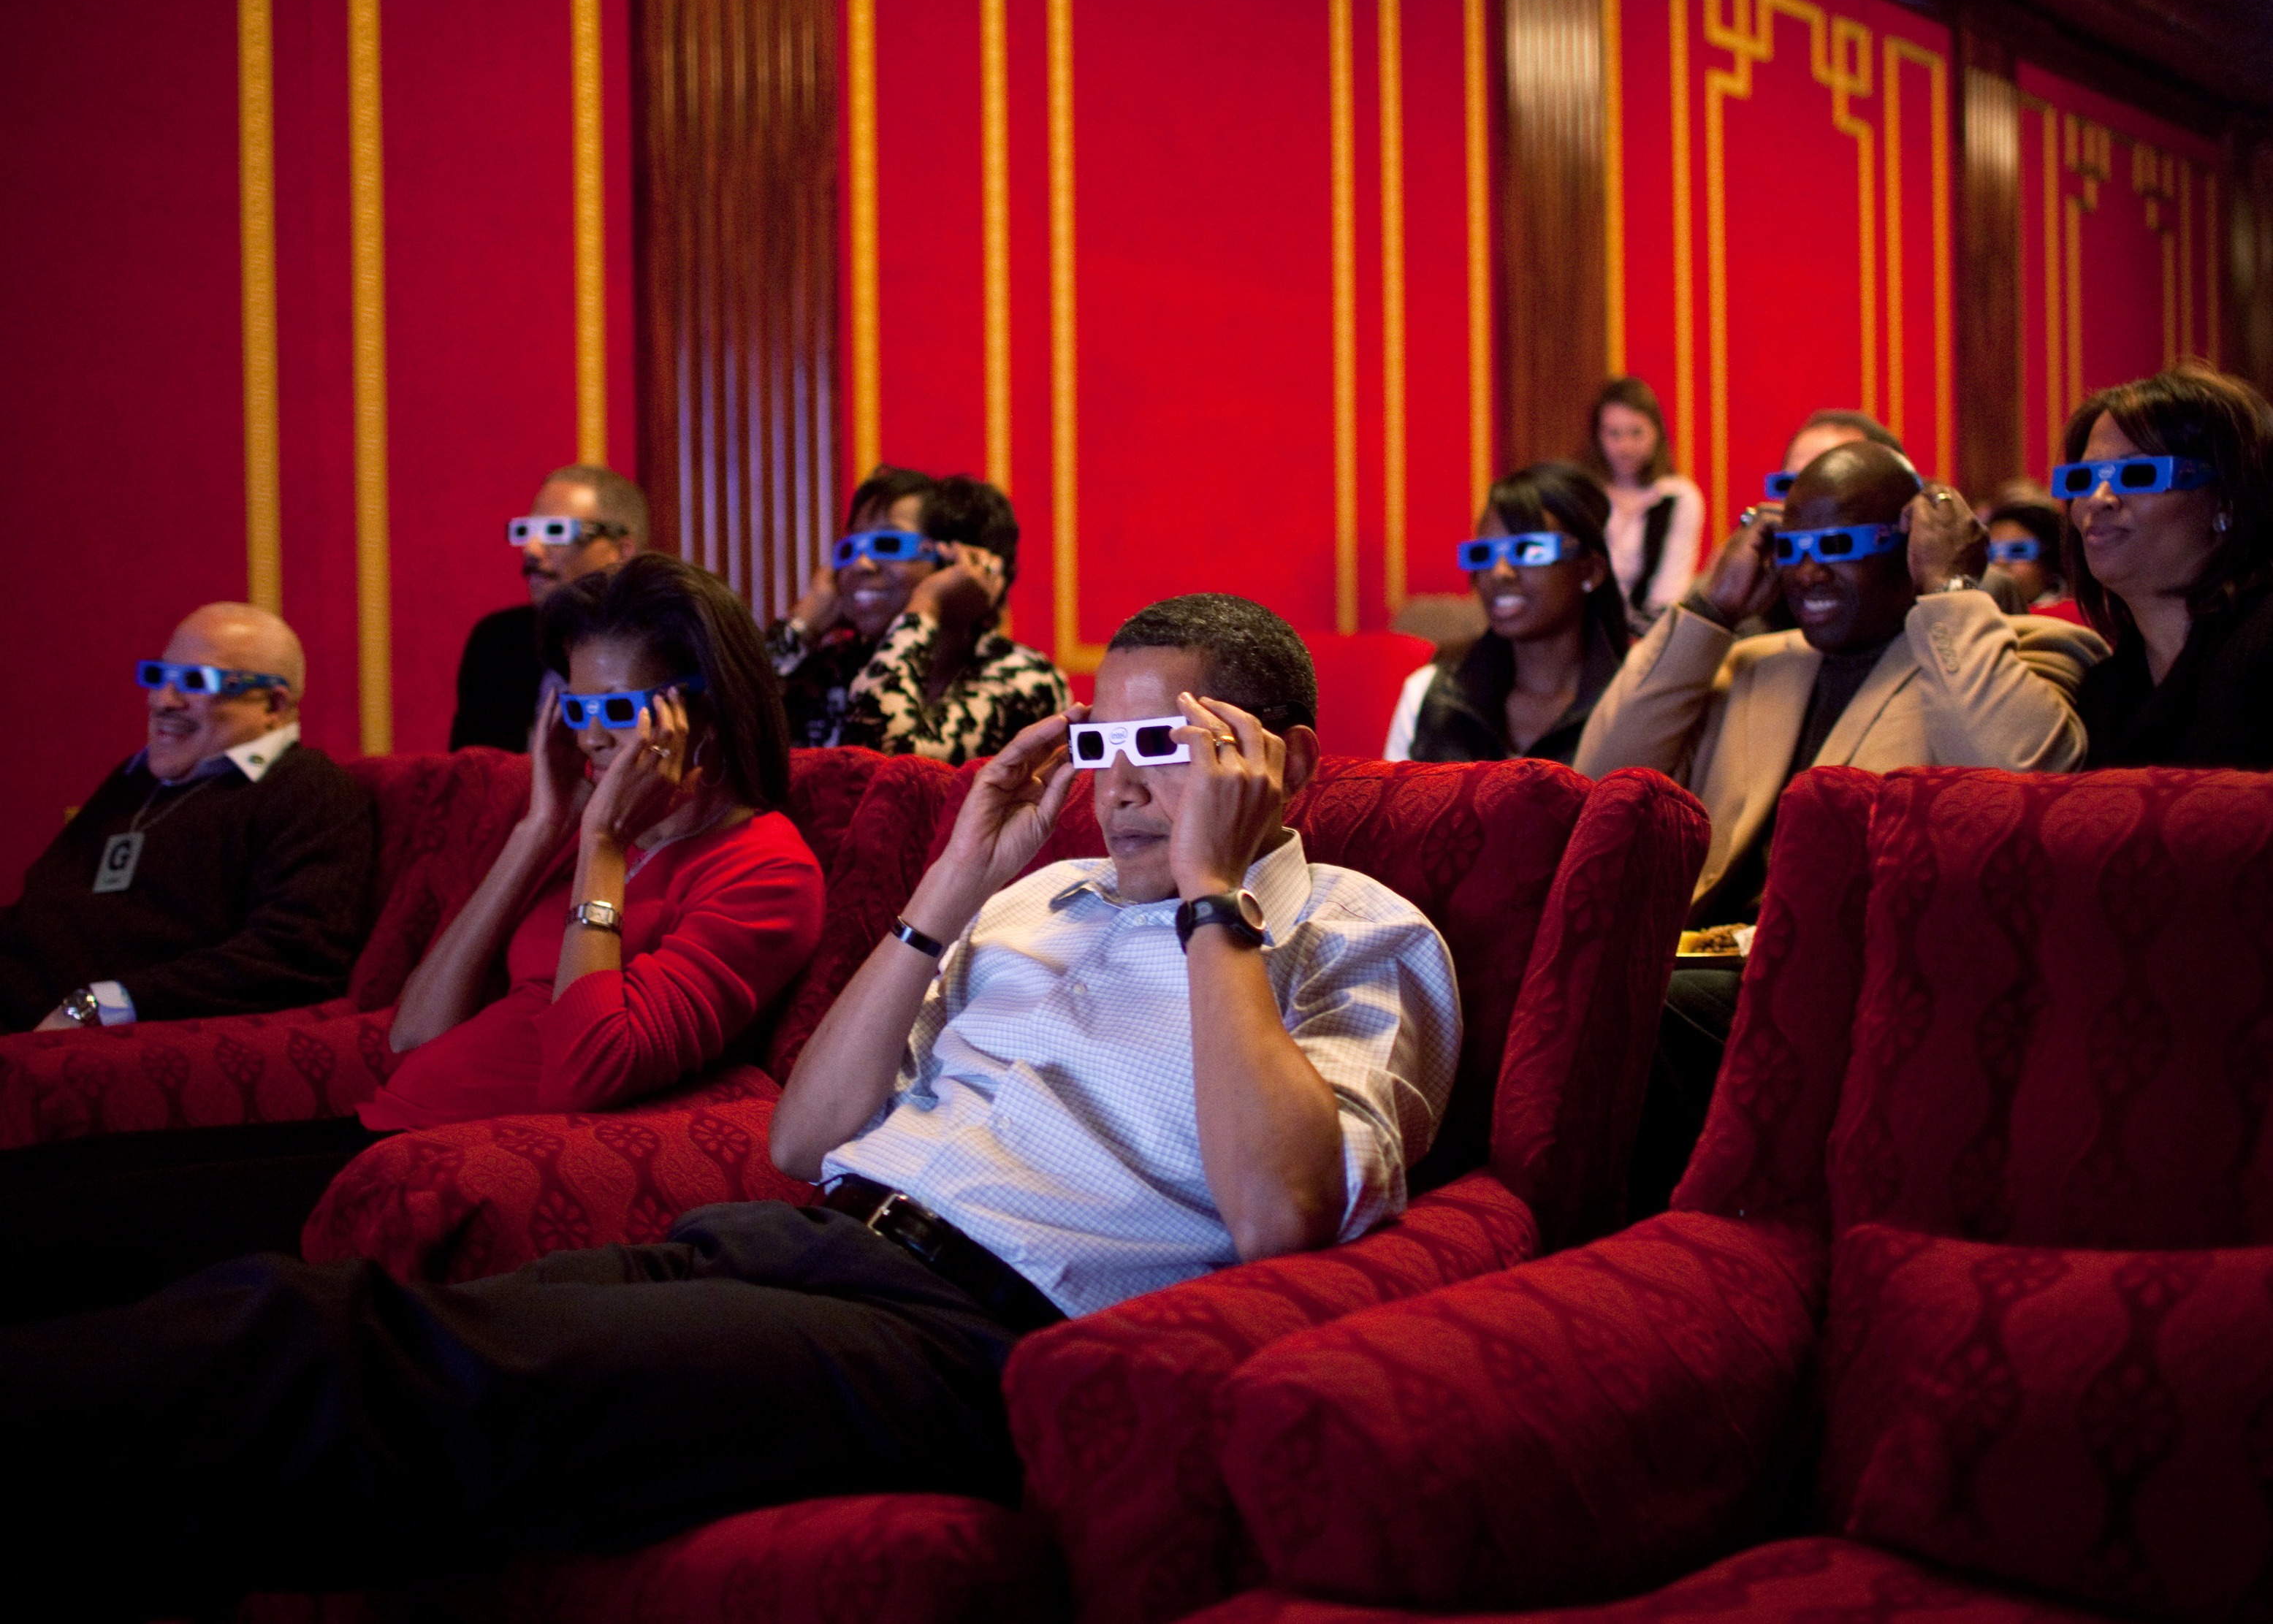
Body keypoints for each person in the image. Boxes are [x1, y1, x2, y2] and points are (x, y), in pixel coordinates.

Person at [0, 595, 1461, 1618]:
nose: (1132, 794)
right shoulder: (1033, 894)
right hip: (798, 1238)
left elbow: (1278, 1207)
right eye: (1106, 749)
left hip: (972, 1331)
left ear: (1283, 762)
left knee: (353, 1352)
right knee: (339, 1308)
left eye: (1175, 750)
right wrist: (953, 883)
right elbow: (804, 1140)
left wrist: (1214, 888)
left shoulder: (1355, 929)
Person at [0, 554, 825, 1322]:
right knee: (39, 1194)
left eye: (615, 708)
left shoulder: (764, 870)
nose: (591, 736)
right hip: (384, 1120)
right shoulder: (594, 833)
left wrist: (601, 850)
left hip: (435, 1161)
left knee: (69, 1244)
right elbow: (417, 1028)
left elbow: (589, 1068)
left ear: (704, 708)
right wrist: (541, 829)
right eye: (574, 708)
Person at [1575, 440, 2106, 1214]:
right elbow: (1604, 778)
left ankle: (1643, 1240)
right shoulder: (1754, 661)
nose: (1810, 570)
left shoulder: (2022, 650)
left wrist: (1953, 588)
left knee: (1638, 1006)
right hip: (1708, 956)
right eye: (1793, 547)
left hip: (1862, 980)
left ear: (1912, 542)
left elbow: (2027, 791)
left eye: (1843, 546)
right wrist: (1709, 609)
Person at [0, 603, 373, 1034]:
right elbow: (40, 910)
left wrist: (102, 1004)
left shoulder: (310, 792)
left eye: (196, 682)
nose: (162, 701)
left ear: (273, 704)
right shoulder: (134, 780)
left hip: (86, 1030)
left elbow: (297, 956)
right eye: (159, 677)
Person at [769, 465, 1069, 761]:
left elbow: (884, 759)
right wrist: (802, 626)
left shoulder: (1025, 678)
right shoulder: (827, 672)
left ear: (960, 564)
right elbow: (729, 731)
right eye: (850, 548)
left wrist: (927, 606)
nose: (860, 564)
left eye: (887, 544)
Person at [2062, 365, 2273, 770]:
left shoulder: (2264, 641)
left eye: (2139, 474)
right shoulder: (2102, 693)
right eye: (2081, 479)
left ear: (2227, 499)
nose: (2098, 498)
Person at [1384, 462, 1629, 764]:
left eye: (1528, 550)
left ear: (1591, 571)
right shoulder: (1430, 695)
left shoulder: (1633, 701)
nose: (1500, 572)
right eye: (1483, 554)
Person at [451, 464, 647, 752]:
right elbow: (471, 776)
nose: (531, 549)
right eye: (526, 532)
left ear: (622, 551)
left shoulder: (665, 642)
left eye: (555, 532)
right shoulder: (496, 643)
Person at [1579, 377, 1705, 630]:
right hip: (1586, 629)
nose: (1625, 446)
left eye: (1636, 433)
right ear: (1598, 437)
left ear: (1656, 433)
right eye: (1613, 434)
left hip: (1650, 633)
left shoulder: (1678, 498)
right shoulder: (1583, 495)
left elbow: (1668, 596)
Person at [1982, 487, 2071, 612]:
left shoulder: (2071, 616)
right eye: (1990, 553)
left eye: (2017, 551)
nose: (2000, 562)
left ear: (2051, 560)